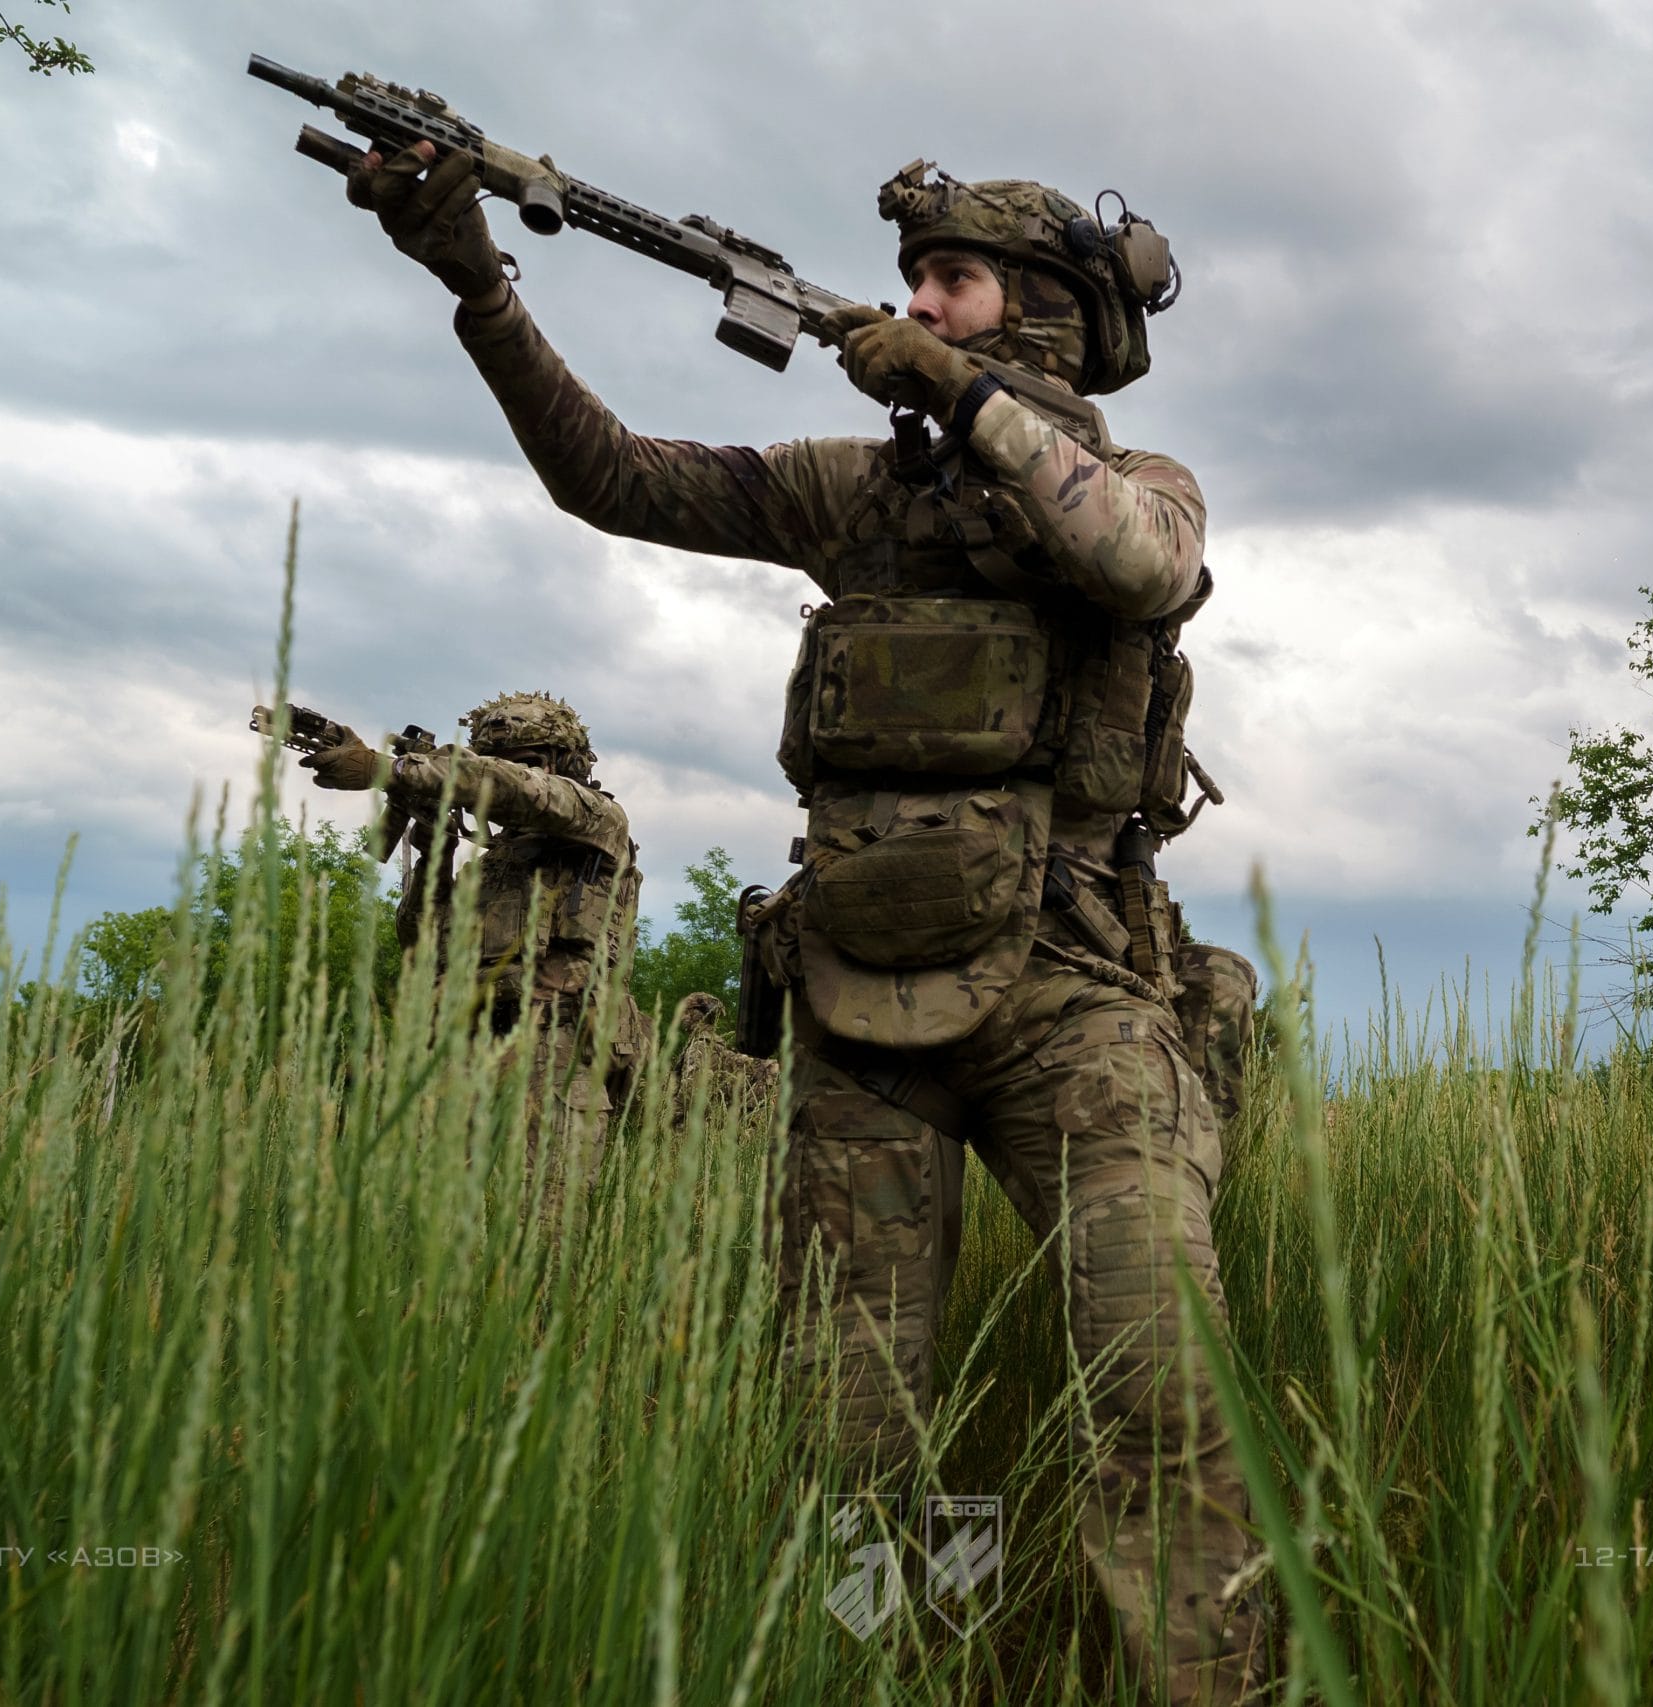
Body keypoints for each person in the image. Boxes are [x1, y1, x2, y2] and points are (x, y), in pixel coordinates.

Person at [344, 142, 1259, 1702]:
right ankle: (912, 1666)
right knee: (853, 1433)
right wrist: (481, 287)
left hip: (1076, 998)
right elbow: (612, 478)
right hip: (859, 1012)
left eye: (949, 282)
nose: (912, 303)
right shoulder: (853, 494)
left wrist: (971, 407)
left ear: (1037, 313)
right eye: (912, 283)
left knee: (1160, 1384)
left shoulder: (1144, 489)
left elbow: (1133, 561)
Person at [304, 691, 642, 1192]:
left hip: (553, 1050)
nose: (510, 772)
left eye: (526, 762)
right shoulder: (498, 862)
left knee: (538, 1233)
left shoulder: (597, 820)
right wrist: (435, 853)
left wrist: (389, 770)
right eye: (493, 760)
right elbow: (422, 945)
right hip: (466, 1051)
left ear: (562, 761)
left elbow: (513, 789)